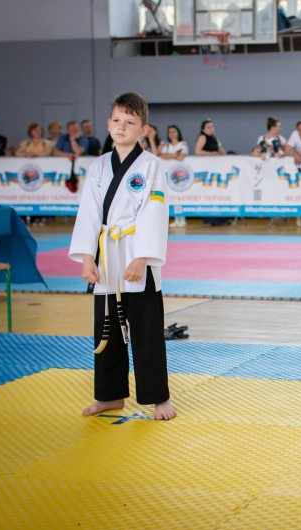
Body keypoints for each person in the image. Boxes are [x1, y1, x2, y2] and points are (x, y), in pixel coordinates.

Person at [68, 91, 175, 420]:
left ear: (144, 130)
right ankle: (110, 395)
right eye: (116, 120)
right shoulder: (99, 166)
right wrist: (88, 256)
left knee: (147, 330)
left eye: (130, 122)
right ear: (108, 124)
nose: (121, 127)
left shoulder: (151, 165)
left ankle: (158, 398)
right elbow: (89, 213)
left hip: (136, 253)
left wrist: (142, 257)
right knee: (107, 329)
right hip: (106, 256)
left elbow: (154, 212)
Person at [160, 125, 190, 229]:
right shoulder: (166, 146)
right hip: (170, 175)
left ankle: (182, 218)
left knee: (180, 196)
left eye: (174, 131)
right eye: (170, 132)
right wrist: (174, 154)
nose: (172, 134)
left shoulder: (183, 144)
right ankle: (176, 219)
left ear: (178, 133)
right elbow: (162, 156)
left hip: (181, 173)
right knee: (172, 196)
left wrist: (170, 155)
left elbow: (181, 157)